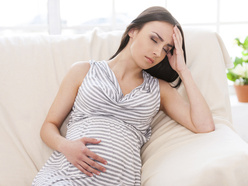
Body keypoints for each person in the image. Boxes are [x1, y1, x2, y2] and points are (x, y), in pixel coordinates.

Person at [32, 6, 215, 186]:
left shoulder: (159, 89)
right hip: (66, 176)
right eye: (154, 39)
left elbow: (204, 125)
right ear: (133, 31)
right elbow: (48, 126)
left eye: (167, 49)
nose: (158, 52)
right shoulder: (83, 71)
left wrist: (183, 70)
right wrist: (66, 146)